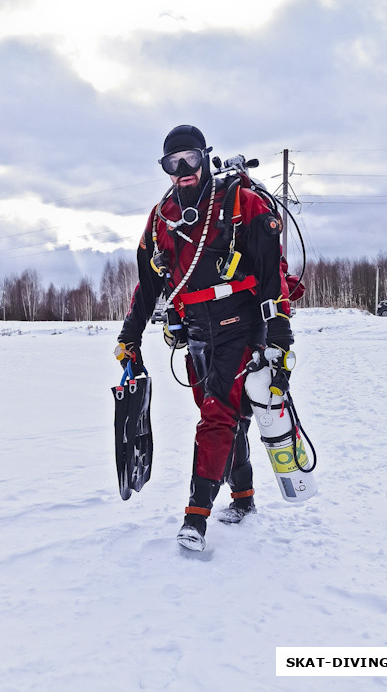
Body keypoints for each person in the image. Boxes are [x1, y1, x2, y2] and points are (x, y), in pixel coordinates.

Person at [114, 125, 294, 551]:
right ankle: (244, 497)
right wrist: (130, 336)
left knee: (216, 416)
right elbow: (147, 284)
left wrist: (280, 342)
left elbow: (273, 280)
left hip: (241, 327)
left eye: (189, 159)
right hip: (194, 332)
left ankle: (195, 518)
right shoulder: (161, 220)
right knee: (227, 418)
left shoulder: (242, 205)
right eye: (171, 164)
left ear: (203, 157)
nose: (182, 171)